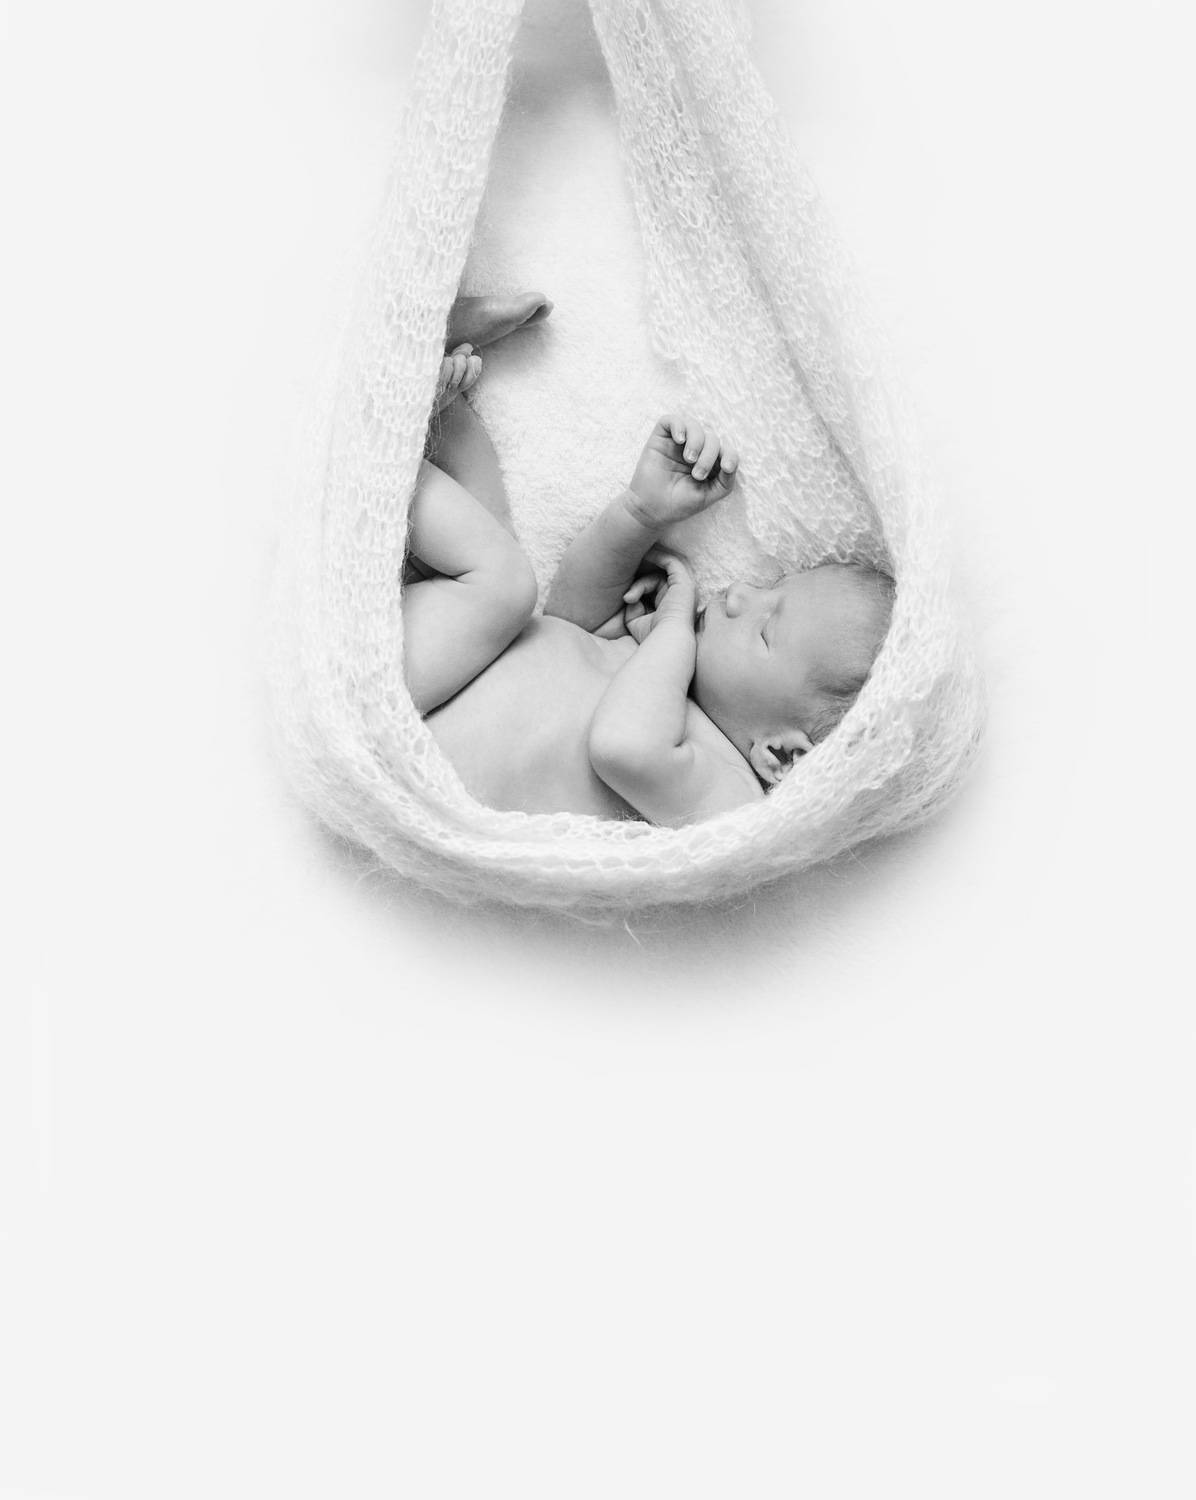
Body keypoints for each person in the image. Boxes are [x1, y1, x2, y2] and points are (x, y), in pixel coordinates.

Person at [404, 294, 893, 826]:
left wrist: (674, 631)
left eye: (765, 631)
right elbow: (570, 619)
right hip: (442, 663)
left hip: (409, 735)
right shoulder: (656, 666)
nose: (739, 594)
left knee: (504, 584)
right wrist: (641, 513)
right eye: (771, 586)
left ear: (780, 753)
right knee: (495, 538)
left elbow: (622, 748)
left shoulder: (729, 799)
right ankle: (435, 372)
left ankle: (393, 420)